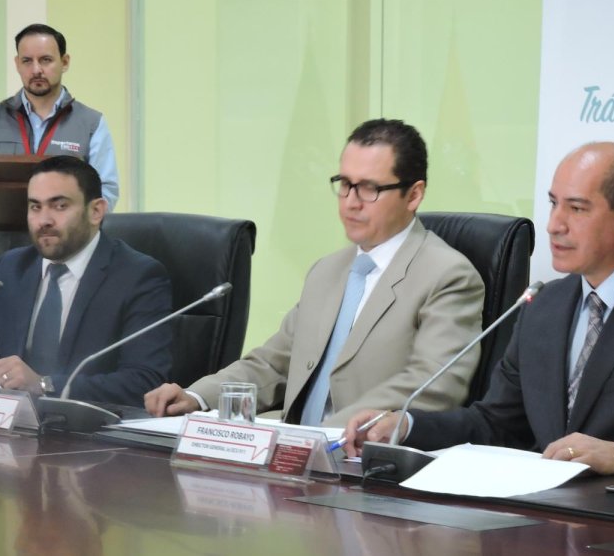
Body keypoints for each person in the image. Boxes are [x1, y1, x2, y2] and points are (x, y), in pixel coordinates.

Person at [344, 142, 614, 488]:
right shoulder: (543, 305)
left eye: (577, 209)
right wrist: (406, 425)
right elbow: (496, 424)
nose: (554, 225)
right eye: (553, 204)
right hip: (544, 520)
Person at [144, 119, 485, 427]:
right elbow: (274, 364)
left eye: (369, 188)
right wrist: (198, 397)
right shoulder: (327, 270)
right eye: (345, 184)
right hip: (294, 456)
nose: (351, 202)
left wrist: (328, 433)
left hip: (365, 460)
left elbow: (433, 383)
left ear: (413, 195)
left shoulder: (447, 275)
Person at [0, 155, 173, 406]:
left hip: (92, 427)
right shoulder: (11, 268)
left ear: (96, 211)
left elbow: (145, 381)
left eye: (59, 206)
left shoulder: (137, 276)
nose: (44, 220)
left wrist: (44, 385)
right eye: (35, 207)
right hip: (11, 422)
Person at [0, 23, 119, 209]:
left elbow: (106, 192)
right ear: (17, 64)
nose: (36, 70)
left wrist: (70, 218)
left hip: (66, 229)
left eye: (45, 60)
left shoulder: (91, 123)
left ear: (65, 62)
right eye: (27, 61)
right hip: (4, 227)